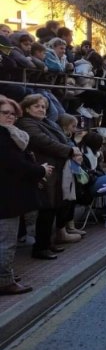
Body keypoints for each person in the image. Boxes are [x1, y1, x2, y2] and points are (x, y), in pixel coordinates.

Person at [16, 93, 82, 259]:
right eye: (36, 106)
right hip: (43, 170)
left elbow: (61, 139)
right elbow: (44, 141)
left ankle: (47, 243)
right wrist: (69, 151)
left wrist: (71, 150)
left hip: (55, 169)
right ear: (26, 108)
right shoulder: (26, 123)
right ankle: (40, 248)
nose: (41, 109)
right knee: (46, 208)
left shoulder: (46, 122)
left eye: (43, 106)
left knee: (52, 208)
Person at [0, 96, 53, 294]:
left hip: (9, 195)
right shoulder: (3, 137)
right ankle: (4, 281)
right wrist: (40, 170)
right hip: (6, 197)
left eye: (13, 113)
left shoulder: (9, 134)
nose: (10, 117)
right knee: (6, 241)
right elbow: (15, 165)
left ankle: (5, 275)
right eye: (5, 113)